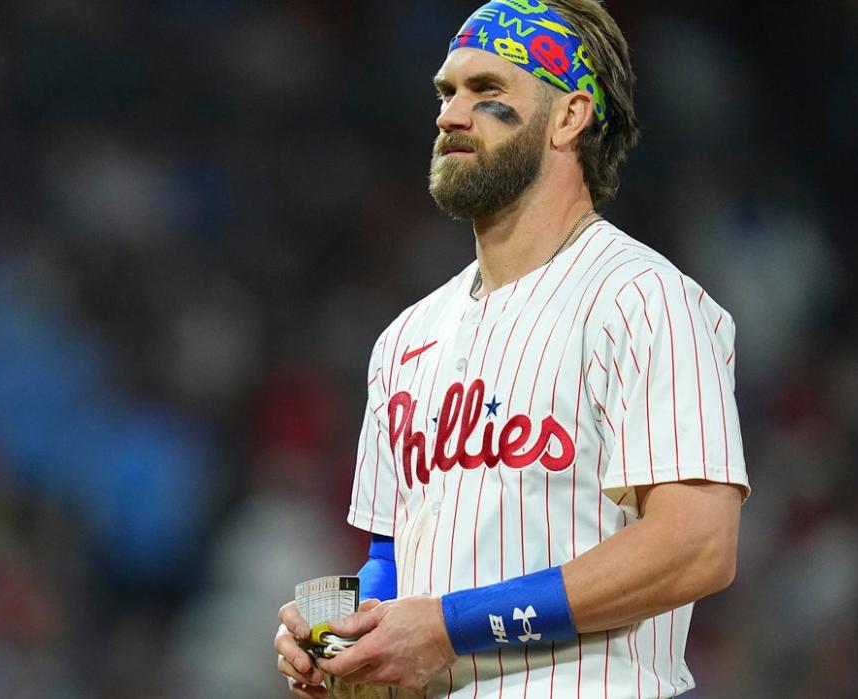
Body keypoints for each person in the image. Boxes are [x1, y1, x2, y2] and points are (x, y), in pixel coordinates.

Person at [276, 1, 750, 696]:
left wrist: (448, 627)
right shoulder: (406, 337)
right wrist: (348, 640)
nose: (450, 115)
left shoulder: (643, 300)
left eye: (487, 91)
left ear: (569, 116)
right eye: (447, 92)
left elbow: (697, 545)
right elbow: (390, 558)